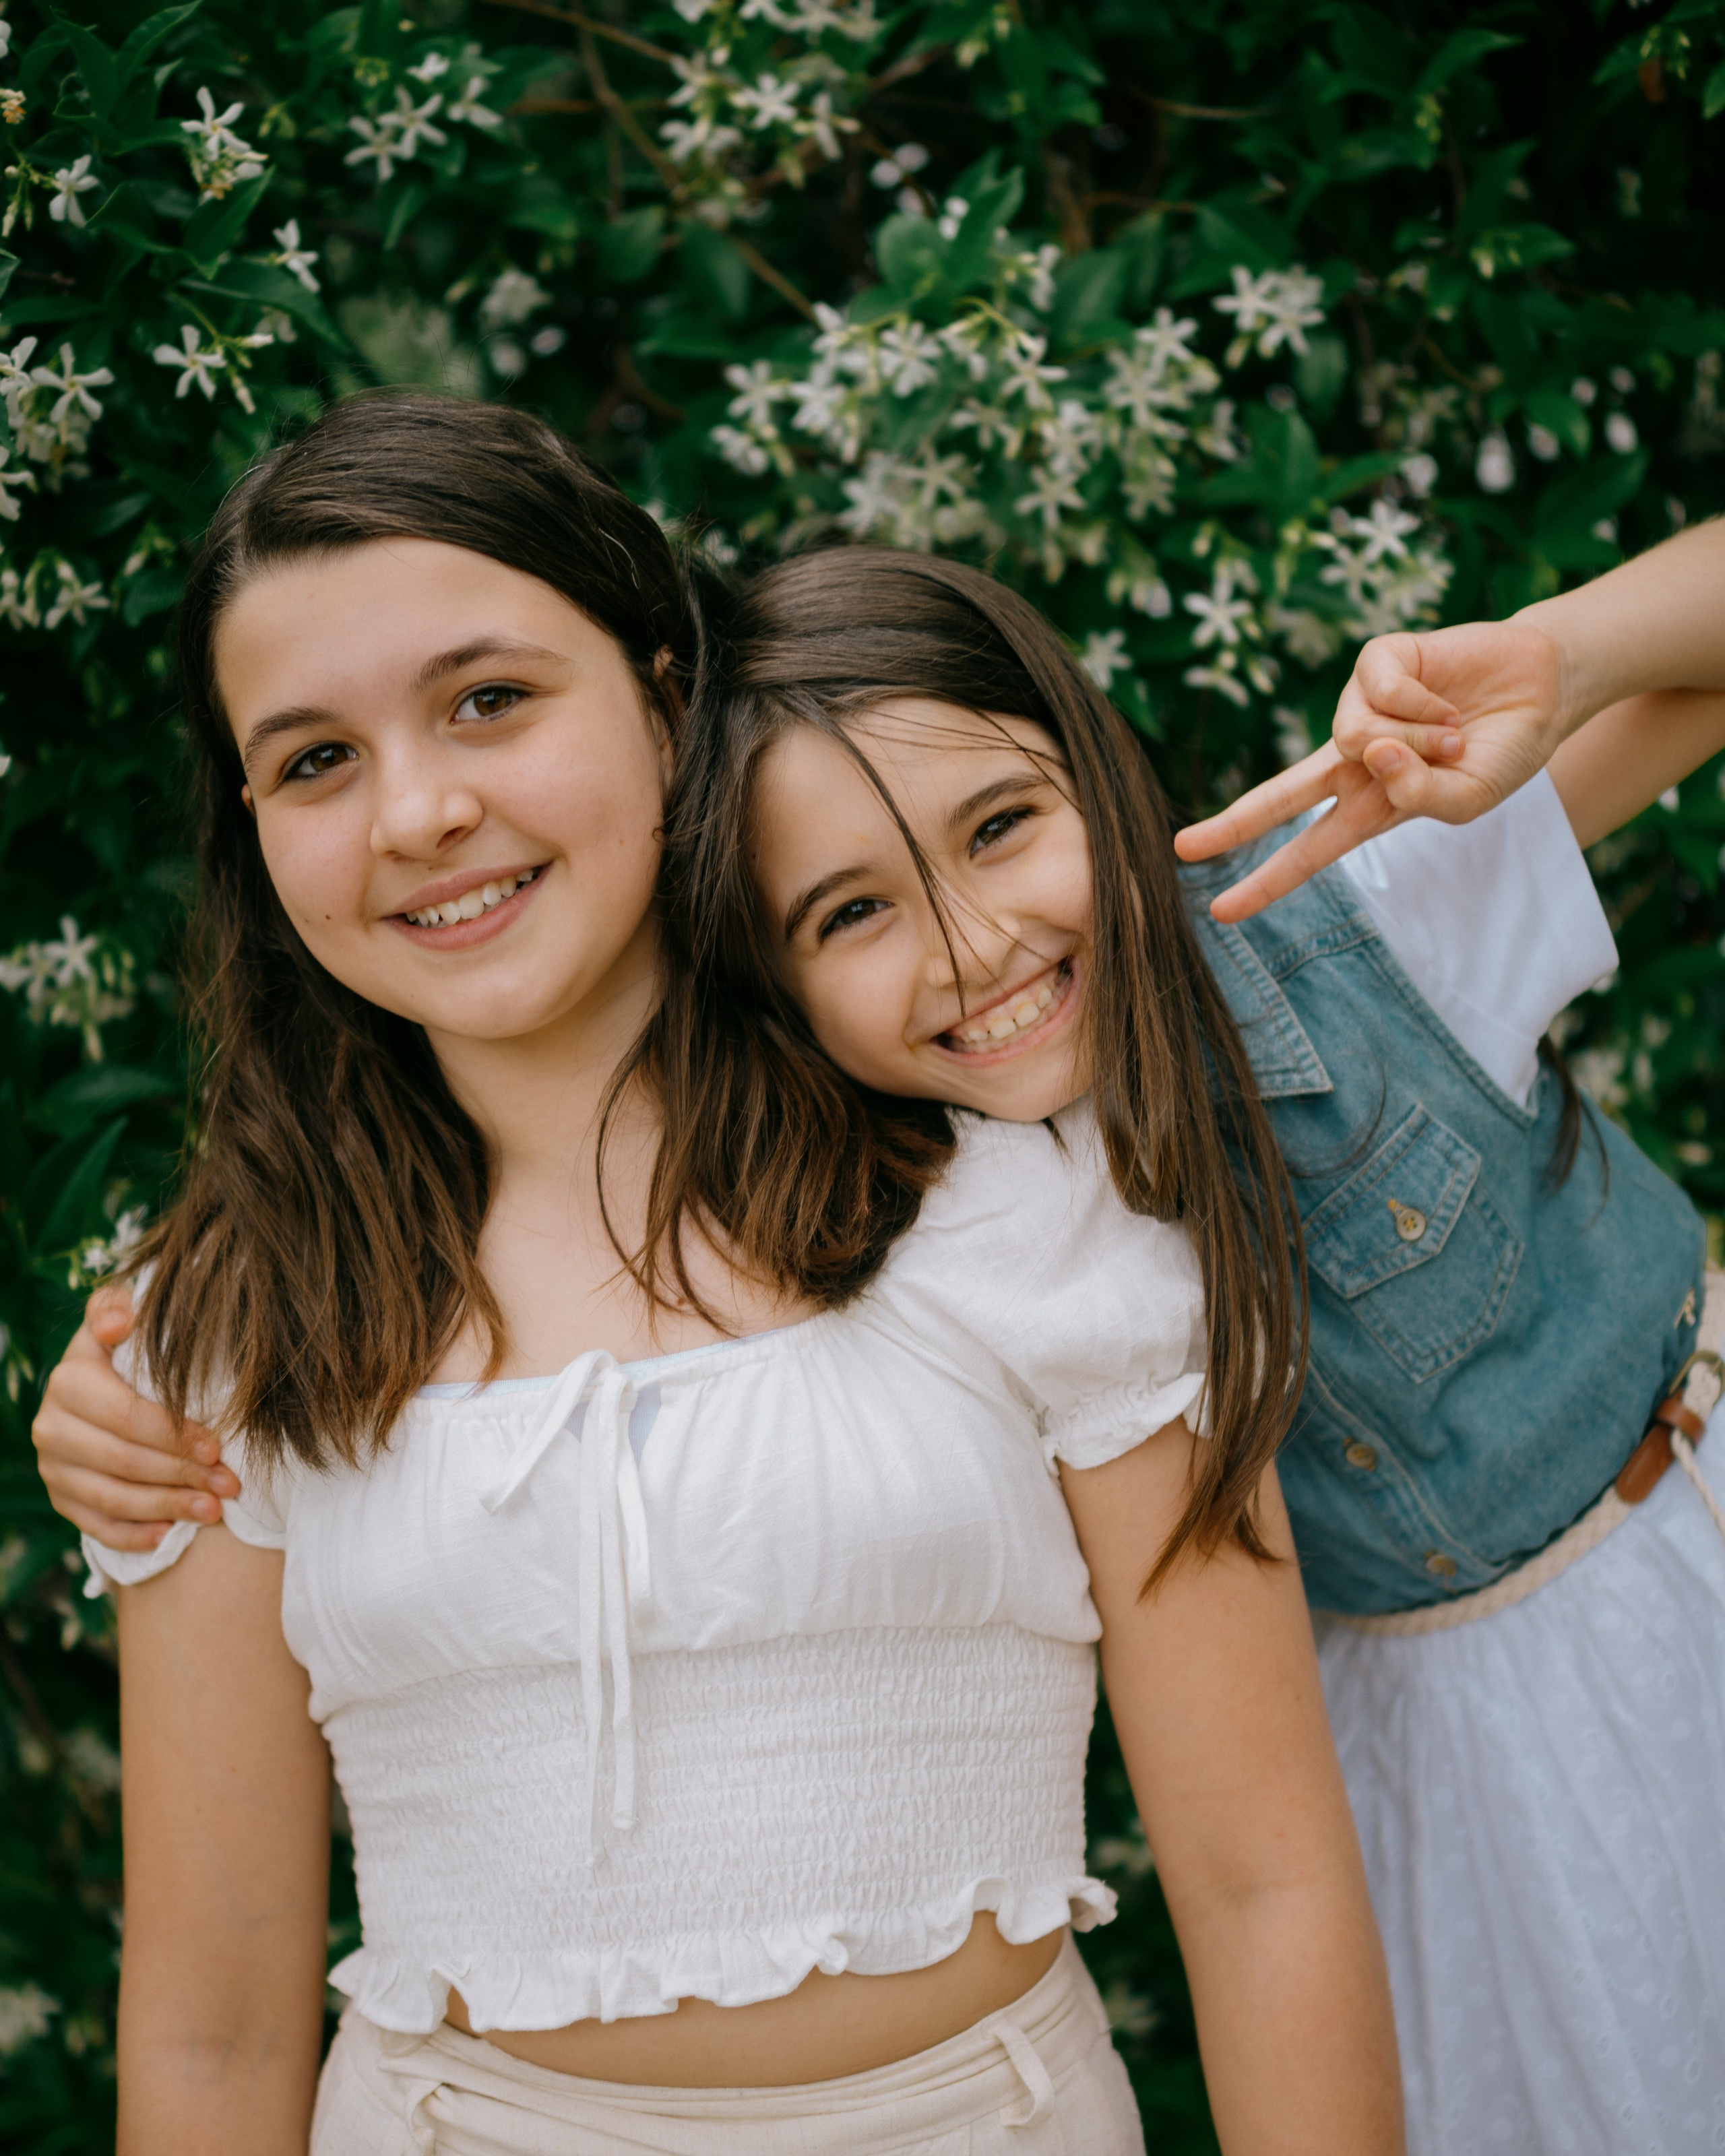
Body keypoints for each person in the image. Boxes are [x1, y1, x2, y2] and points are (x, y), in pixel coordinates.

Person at [43, 517, 1725, 2152]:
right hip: (1412, 1728)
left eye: (488, 698)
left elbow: (1257, 1877)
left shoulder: (1196, 1052)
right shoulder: (245, 1318)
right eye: (847, 913)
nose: (970, 948)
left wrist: (1559, 656)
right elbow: (212, 2011)